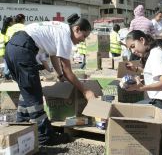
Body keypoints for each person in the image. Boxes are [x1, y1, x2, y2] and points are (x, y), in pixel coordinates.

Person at [5, 13, 96, 145]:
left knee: (27, 90)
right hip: (23, 49)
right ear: (76, 29)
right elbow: (67, 70)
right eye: (84, 36)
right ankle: (45, 137)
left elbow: (54, 56)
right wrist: (85, 91)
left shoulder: (60, 29)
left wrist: (60, 76)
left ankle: (21, 125)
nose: (83, 40)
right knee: (34, 94)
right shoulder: (65, 35)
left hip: (13, 47)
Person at [125, 30, 162, 129]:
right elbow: (154, 72)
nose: (133, 51)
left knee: (128, 115)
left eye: (133, 46)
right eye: (130, 49)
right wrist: (136, 69)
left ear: (142, 40)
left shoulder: (155, 56)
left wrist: (141, 88)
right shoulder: (156, 51)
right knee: (132, 109)